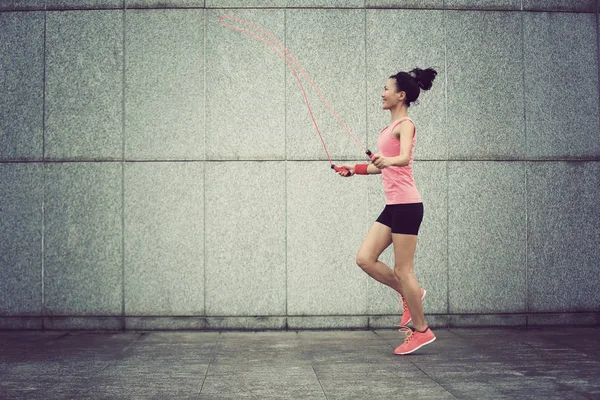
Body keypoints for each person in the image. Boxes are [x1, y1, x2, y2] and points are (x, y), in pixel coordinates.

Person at [338, 67, 437, 355]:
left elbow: (404, 158)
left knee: (402, 269)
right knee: (365, 259)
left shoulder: (405, 124)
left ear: (401, 95)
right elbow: (379, 165)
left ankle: (421, 330)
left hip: (407, 205)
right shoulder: (386, 129)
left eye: (386, 89)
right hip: (393, 206)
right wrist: (353, 169)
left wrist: (388, 161)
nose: (382, 93)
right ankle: (412, 294)